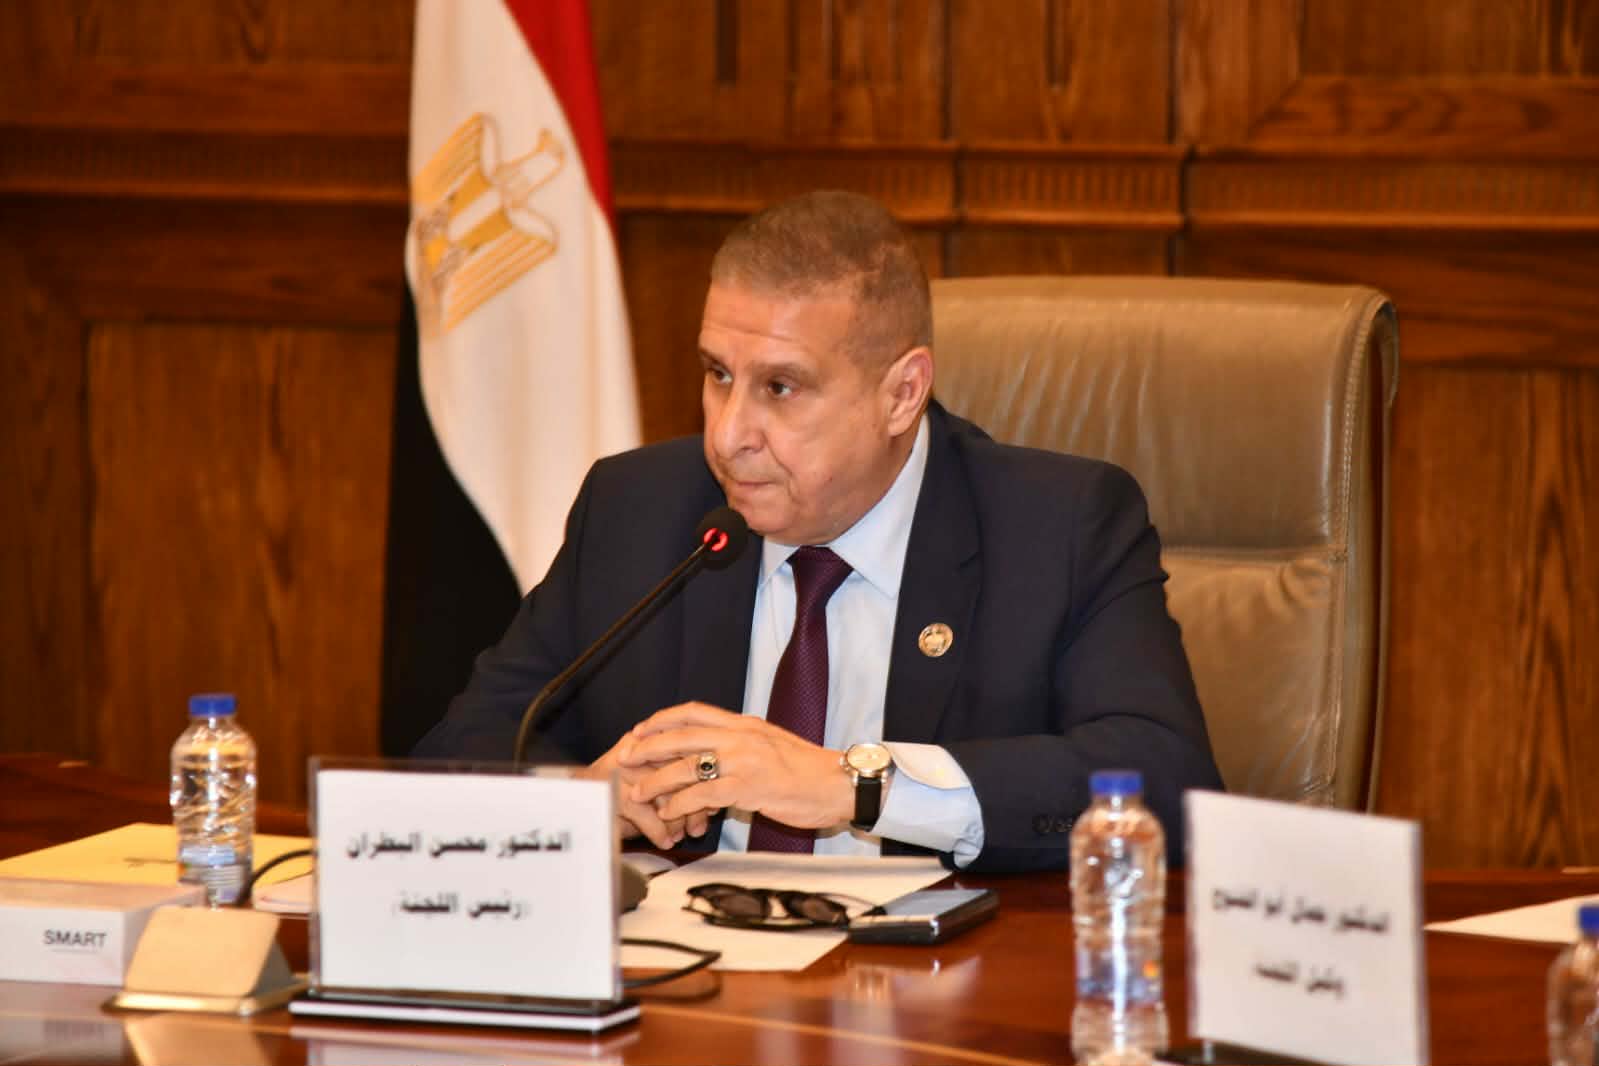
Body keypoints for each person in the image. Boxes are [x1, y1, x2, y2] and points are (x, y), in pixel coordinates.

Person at [413, 190, 1223, 872]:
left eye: (780, 388)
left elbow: (1165, 783)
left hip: (930, 989)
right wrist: (586, 800)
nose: (729, 435)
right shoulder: (638, 508)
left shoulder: (1057, 526)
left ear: (901, 394)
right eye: (717, 374)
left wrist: (854, 785)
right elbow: (461, 746)